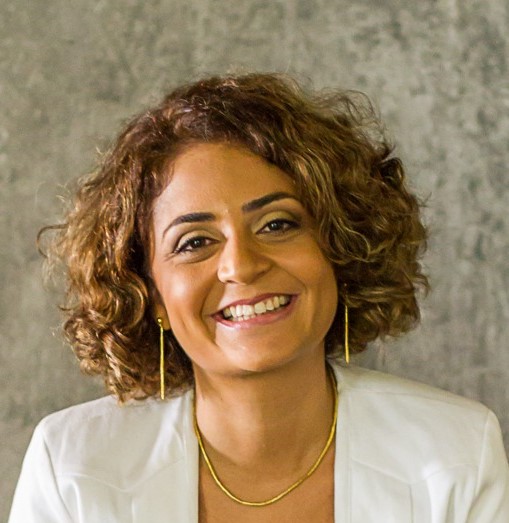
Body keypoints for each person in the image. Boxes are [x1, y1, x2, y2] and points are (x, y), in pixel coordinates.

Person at [9, 73, 509, 523]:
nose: (241, 265)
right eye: (194, 242)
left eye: (277, 224)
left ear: (339, 248)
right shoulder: (73, 468)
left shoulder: (456, 455)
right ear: (150, 293)